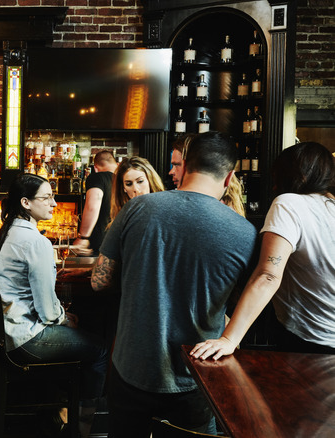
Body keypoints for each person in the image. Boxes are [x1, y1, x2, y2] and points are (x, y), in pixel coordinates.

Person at [91, 131, 258, 436]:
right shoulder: (245, 232)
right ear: (229, 176)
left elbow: (100, 282)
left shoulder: (138, 208)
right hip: (196, 372)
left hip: (132, 366)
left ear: (186, 166)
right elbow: (243, 300)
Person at [0, 173, 108, 437]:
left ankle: (63, 411)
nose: (54, 203)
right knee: (99, 349)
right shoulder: (35, 241)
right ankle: (81, 423)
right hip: (23, 339)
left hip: (6, 335)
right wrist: (64, 318)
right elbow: (46, 309)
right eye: (47, 197)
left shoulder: (8, 233)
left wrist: (61, 317)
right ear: (26, 203)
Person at [191, 142, 335, 359]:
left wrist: (229, 339)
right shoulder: (330, 206)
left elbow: (268, 275)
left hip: (310, 340)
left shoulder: (289, 204)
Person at [72, 150, 118, 254]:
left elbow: (92, 205)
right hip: (121, 242)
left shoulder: (97, 177)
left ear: (95, 168)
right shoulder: (126, 180)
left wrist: (83, 237)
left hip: (100, 242)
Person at [109, 156, 165, 225]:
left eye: (140, 181)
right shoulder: (122, 217)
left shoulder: (164, 209)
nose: (135, 189)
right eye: (129, 184)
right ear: (124, 188)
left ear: (150, 181)